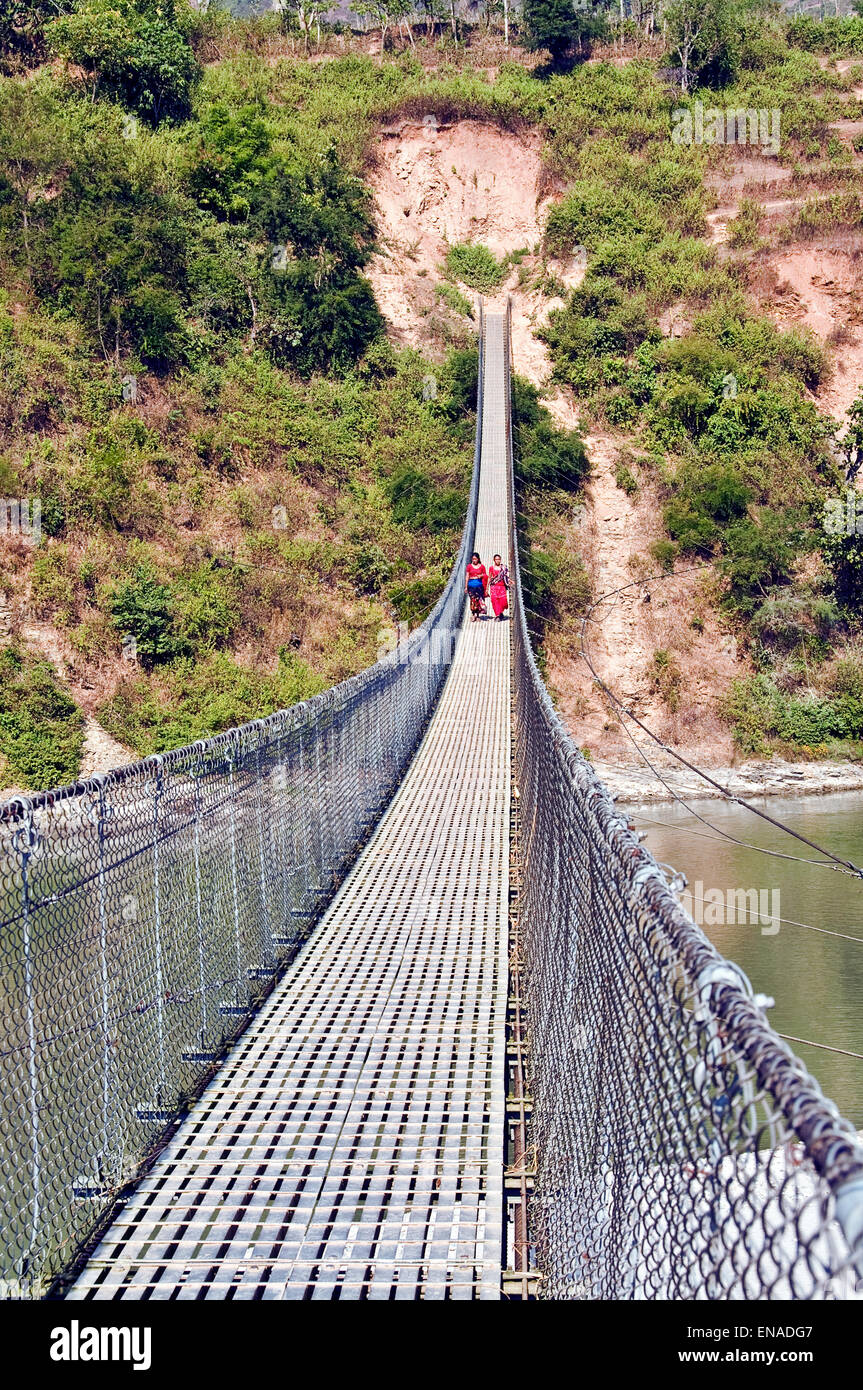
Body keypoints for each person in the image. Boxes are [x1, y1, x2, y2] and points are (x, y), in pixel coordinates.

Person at [465, 552, 488, 620]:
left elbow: (485, 575)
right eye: (473, 559)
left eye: (475, 559)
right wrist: (466, 587)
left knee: (478, 600)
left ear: (478, 559)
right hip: (471, 586)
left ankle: (478, 615)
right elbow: (467, 576)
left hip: (479, 586)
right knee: (473, 600)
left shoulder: (482, 566)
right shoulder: (469, 566)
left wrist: (480, 575)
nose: (474, 560)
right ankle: (473, 614)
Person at [488, 553, 509, 620]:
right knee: (494, 600)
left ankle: (500, 612)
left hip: (502, 586)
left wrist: (510, 581)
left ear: (500, 560)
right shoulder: (491, 568)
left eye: (499, 559)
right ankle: (497, 615)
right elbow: (489, 577)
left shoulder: (504, 568)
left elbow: (506, 576)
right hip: (494, 587)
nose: (497, 561)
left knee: (503, 601)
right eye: (496, 559)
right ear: (494, 560)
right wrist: (486, 587)